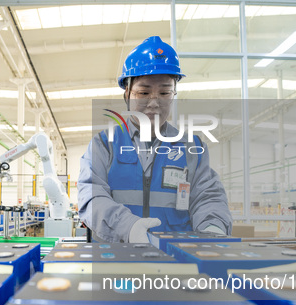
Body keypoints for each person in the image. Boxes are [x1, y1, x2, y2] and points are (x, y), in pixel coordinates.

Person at [77, 36, 232, 243]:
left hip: (174, 262)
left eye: (165, 92)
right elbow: (91, 197)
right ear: (127, 94)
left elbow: (208, 197)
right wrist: (129, 228)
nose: (154, 102)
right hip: (115, 262)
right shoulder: (104, 145)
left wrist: (213, 229)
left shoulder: (192, 147)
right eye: (144, 92)